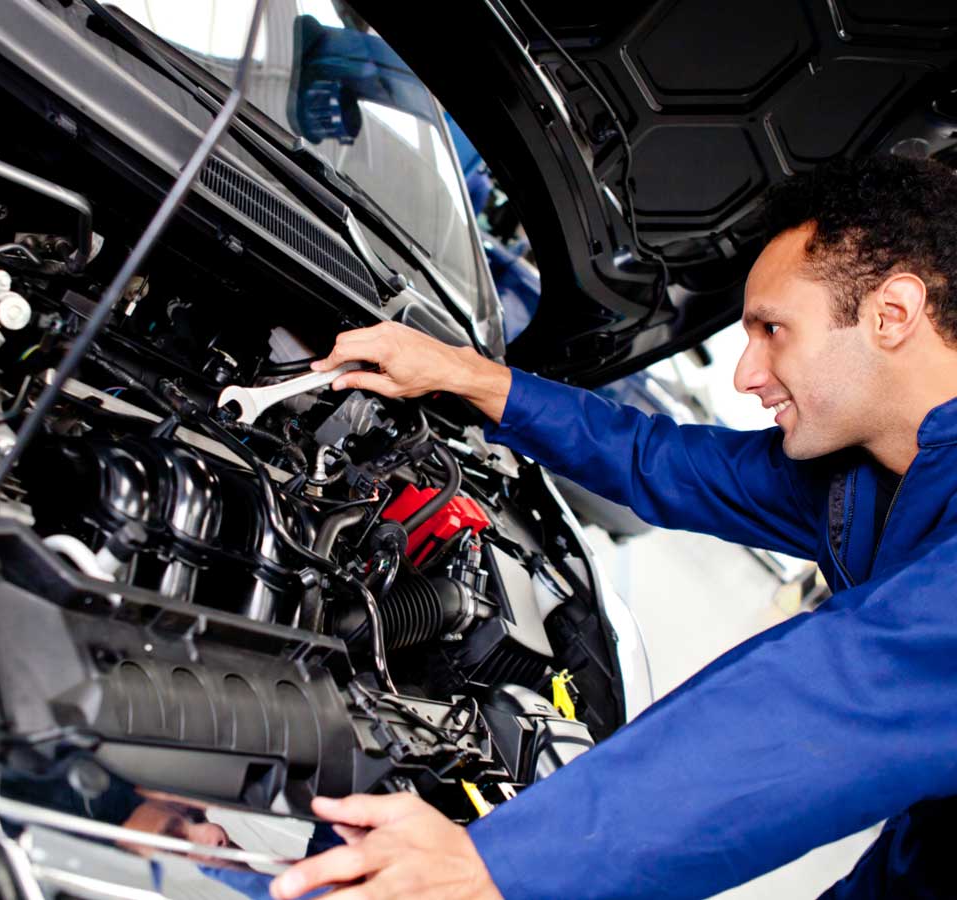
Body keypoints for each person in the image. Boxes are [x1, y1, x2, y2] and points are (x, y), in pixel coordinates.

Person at [269, 155, 957, 899]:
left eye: (772, 329)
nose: (744, 374)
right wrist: (462, 374)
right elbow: (659, 461)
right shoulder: (870, 475)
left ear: (892, 313)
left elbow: (833, 695)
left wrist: (499, 863)